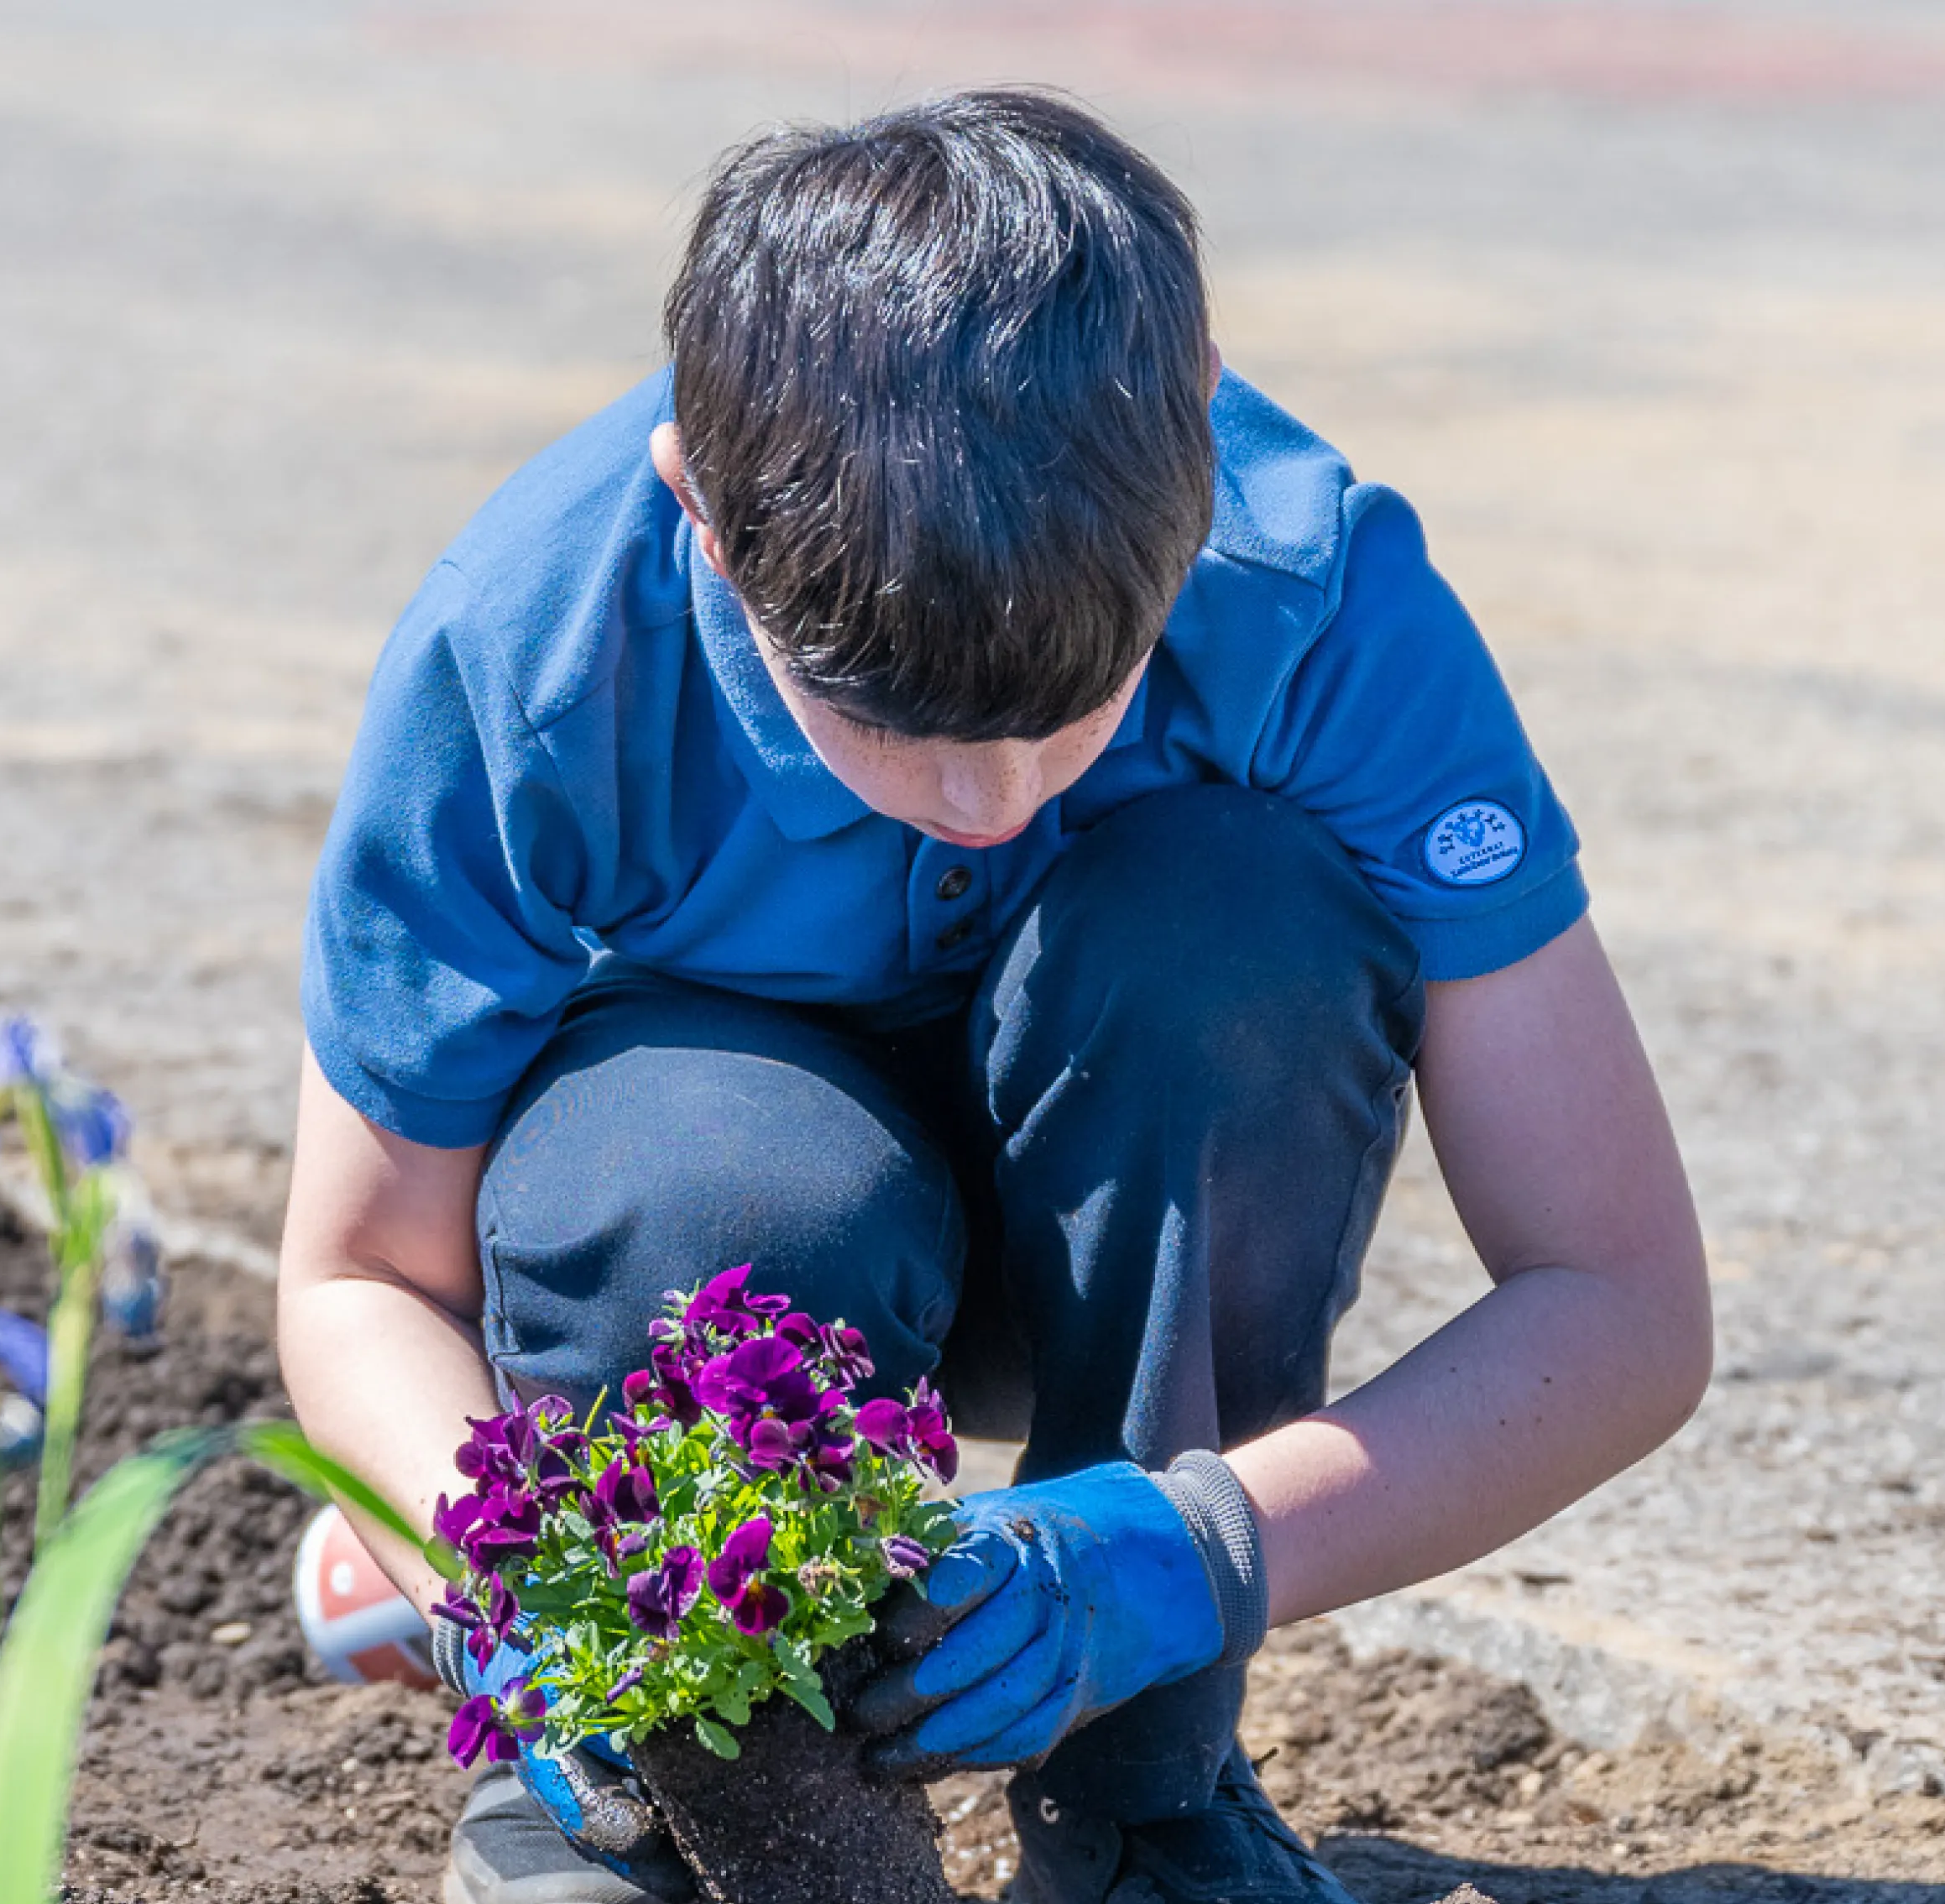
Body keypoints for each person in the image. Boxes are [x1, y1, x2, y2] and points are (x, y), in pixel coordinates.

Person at [274, 88, 1712, 1904]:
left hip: (1128, 1242)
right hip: (722, 1232)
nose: (993, 802)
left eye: (1075, 709)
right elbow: (359, 1276)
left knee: (1231, 929)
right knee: (707, 1170)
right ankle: (683, 1804)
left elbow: (1622, 1301)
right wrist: (504, 1590)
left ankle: (1144, 1797)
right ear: (703, 520)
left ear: (1194, 458)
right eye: (889, 728)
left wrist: (1201, 1546)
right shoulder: (533, 655)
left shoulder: (1314, 590)